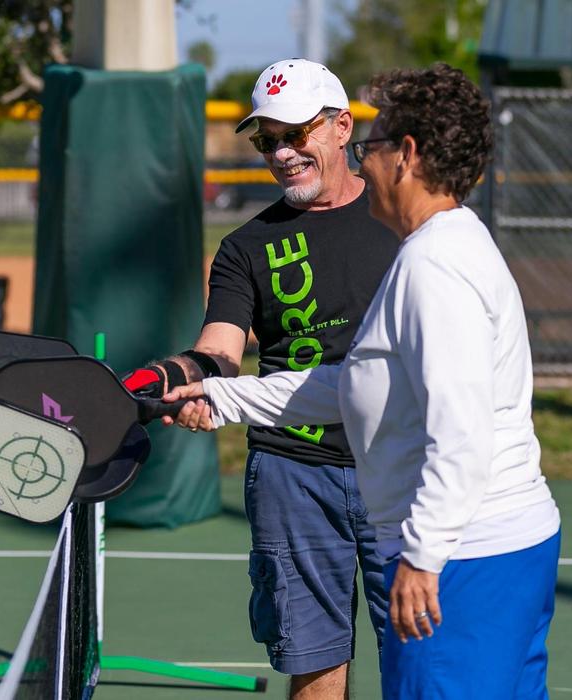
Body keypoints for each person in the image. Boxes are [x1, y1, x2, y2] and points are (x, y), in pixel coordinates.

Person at [166, 63, 561, 700]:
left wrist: (424, 557)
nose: (363, 161)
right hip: (488, 544)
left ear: (404, 155)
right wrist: (214, 393)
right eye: (268, 140)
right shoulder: (441, 246)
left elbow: (460, 431)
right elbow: (352, 384)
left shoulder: (433, 265)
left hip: (464, 553)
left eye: (371, 147)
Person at [122, 59, 397, 697]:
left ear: (341, 128)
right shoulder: (246, 246)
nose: (281, 152)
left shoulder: (403, 217)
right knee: (315, 659)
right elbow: (220, 352)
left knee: (422, 654)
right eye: (266, 139)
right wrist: (179, 379)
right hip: (291, 470)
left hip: (401, 465)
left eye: (295, 133)